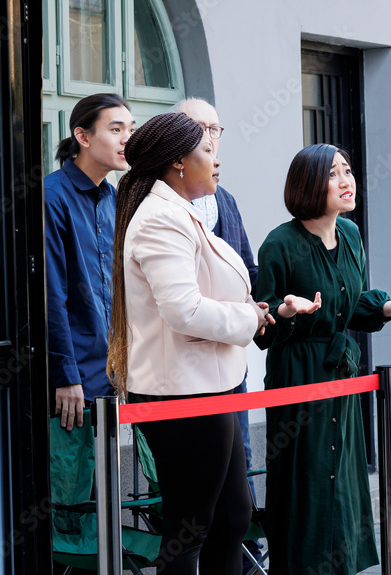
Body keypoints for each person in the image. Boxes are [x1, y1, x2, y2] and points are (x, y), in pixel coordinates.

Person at [253, 144, 391, 575]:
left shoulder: (350, 235)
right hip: (298, 375)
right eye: (333, 174)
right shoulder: (279, 243)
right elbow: (262, 326)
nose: (347, 180)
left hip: (342, 373)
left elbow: (358, 304)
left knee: (342, 477)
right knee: (306, 479)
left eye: (347, 170)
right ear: (308, 184)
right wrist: (287, 312)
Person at [107, 112, 272, 574]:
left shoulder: (181, 212)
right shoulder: (162, 219)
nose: (216, 161)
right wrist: (248, 317)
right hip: (181, 393)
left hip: (207, 387)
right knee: (190, 528)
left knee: (230, 518)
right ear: (179, 161)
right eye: (206, 150)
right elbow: (184, 311)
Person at [172, 97, 263, 560]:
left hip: (230, 361)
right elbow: (181, 306)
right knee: (193, 505)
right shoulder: (160, 207)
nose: (210, 138)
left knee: (234, 493)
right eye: (199, 128)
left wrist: (266, 311)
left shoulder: (223, 198)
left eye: (216, 128)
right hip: (185, 369)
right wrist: (245, 317)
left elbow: (247, 266)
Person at [44, 93, 134, 431]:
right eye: (115, 129)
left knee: (109, 476)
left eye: (130, 129)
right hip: (73, 381)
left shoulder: (116, 198)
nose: (127, 138)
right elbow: (51, 295)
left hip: (110, 373)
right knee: (76, 481)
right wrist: (65, 376)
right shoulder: (52, 197)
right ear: (83, 137)